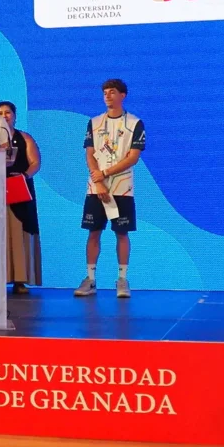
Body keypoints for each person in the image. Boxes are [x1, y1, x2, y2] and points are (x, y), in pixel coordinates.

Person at [74, 79, 146, 298]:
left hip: (122, 188)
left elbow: (133, 158)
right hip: (96, 188)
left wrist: (105, 174)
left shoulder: (135, 123)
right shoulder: (94, 123)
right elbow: (90, 154)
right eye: (105, 92)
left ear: (123, 95)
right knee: (93, 232)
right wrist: (98, 181)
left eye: (112, 92)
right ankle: (90, 279)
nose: (107, 95)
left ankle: (122, 280)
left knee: (121, 233)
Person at [0, 101, 42, 294]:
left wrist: (24, 177)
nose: (4, 116)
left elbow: (35, 162)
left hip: (20, 189)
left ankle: (20, 280)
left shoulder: (25, 138)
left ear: (14, 116)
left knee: (20, 232)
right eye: (0, 113)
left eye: (8, 112)